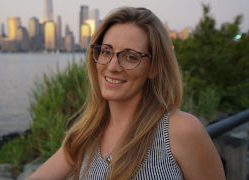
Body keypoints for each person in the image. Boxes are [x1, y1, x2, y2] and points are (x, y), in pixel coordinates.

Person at [28, 7, 225, 180]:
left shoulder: (180, 130)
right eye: (106, 52)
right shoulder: (86, 134)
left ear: (154, 68)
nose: (113, 66)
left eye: (130, 57)